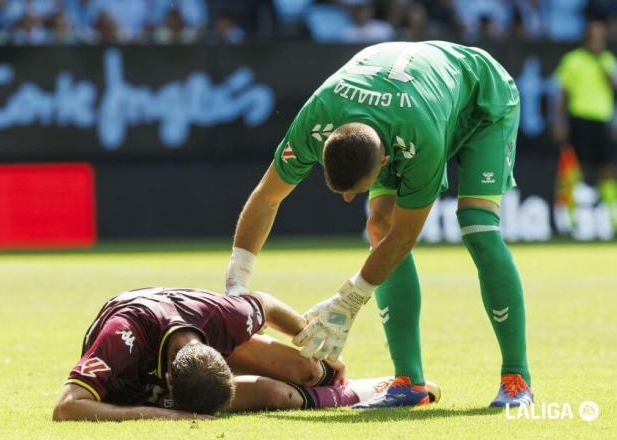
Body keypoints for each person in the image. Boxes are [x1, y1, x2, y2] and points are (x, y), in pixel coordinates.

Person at [225, 41, 532, 408]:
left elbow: (404, 238)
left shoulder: (422, 140)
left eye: (357, 189)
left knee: (477, 225)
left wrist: (349, 300)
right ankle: (409, 383)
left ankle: (517, 379)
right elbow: (267, 197)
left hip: (482, 100)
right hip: (404, 99)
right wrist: (236, 287)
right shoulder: (315, 119)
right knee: (378, 226)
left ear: (386, 159)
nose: (348, 198)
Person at [53, 287, 406, 421]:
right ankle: (359, 392)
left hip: (185, 331)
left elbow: (266, 304)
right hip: (132, 375)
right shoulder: (121, 341)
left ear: (222, 353)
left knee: (308, 370)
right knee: (273, 394)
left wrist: (315, 342)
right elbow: (67, 406)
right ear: (169, 381)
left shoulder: (222, 318)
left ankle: (334, 384)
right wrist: (162, 415)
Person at [553, 20, 617, 230]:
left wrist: (607, 73)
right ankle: (568, 218)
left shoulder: (607, 60)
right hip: (579, 119)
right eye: (594, 36)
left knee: (607, 168)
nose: (597, 41)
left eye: (601, 37)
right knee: (574, 169)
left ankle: (612, 215)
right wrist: (559, 121)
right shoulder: (573, 60)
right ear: (587, 37)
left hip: (602, 120)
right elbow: (562, 95)